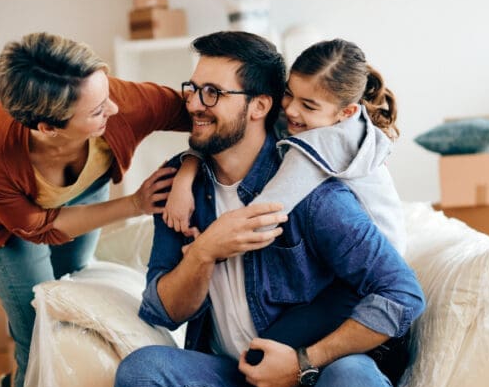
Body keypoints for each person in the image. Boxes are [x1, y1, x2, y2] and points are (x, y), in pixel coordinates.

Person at [114, 31, 425, 387]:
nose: (192, 104)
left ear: (260, 105)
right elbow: (162, 311)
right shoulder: (179, 191)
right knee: (141, 373)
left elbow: (402, 293)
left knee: (356, 385)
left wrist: (301, 364)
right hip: (235, 385)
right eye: (192, 89)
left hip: (315, 382)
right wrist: (205, 251)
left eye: (212, 93)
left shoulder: (313, 187)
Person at [0, 32, 189, 387]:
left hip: (83, 185)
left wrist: (191, 168)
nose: (114, 106)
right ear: (46, 127)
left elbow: (205, 117)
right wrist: (135, 204)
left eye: (107, 90)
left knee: (74, 278)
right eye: (97, 110)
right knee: (36, 331)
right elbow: (40, 227)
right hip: (5, 226)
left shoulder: (120, 100)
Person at [163, 38, 406, 254]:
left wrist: (204, 249)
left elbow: (265, 213)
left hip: (376, 261)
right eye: (288, 94)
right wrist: (185, 178)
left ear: (347, 112)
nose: (290, 110)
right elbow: (221, 133)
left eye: (308, 106)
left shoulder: (323, 144)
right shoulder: (316, 119)